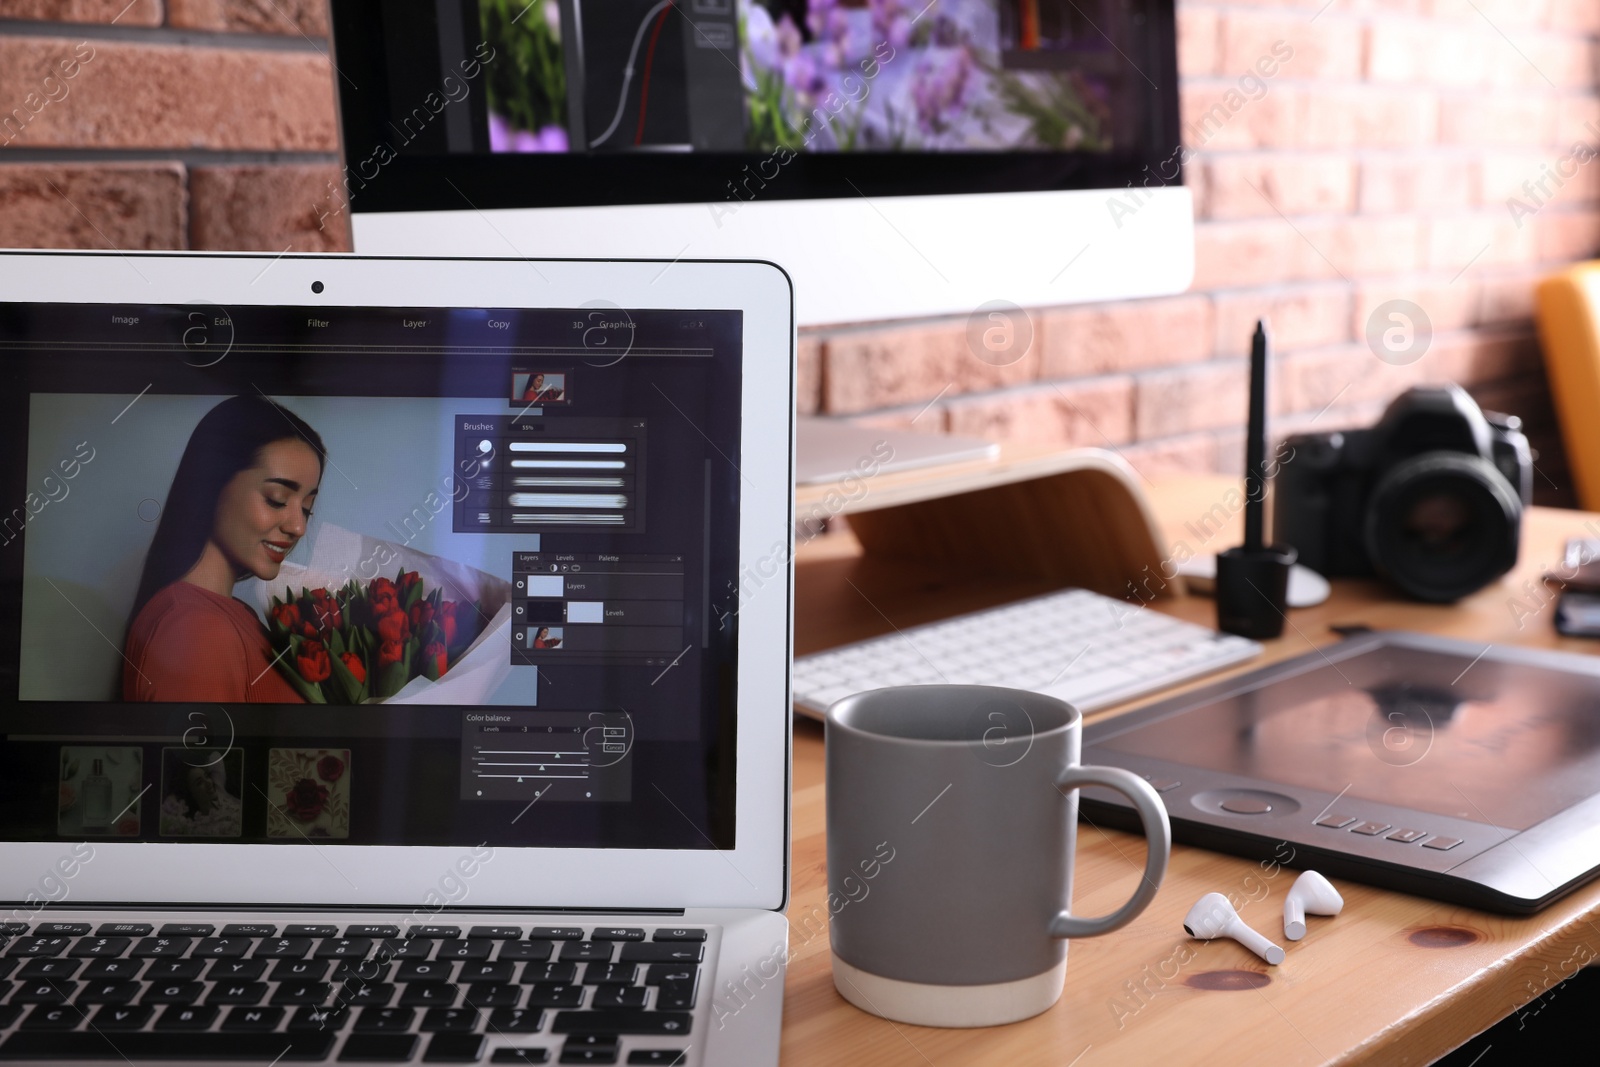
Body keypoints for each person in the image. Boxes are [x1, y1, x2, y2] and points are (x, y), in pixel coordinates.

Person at [123, 395, 325, 702]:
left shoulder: (226, 615)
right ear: (211, 484)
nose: (299, 527)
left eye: (307, 508)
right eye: (276, 499)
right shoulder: (198, 629)